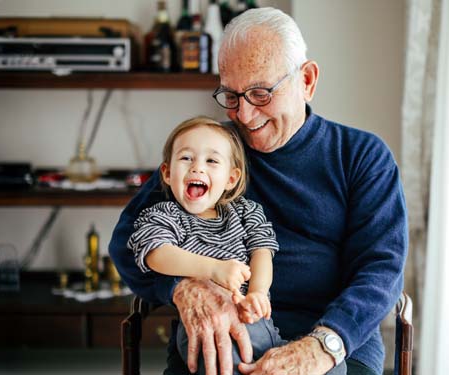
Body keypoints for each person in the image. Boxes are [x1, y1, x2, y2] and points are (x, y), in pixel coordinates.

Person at [109, 7, 408, 375]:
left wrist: (324, 345)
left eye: (261, 93)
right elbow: (129, 239)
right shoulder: (211, 152)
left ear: (307, 80)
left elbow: (382, 269)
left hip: (332, 343)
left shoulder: (361, 156)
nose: (245, 116)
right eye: (231, 96)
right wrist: (181, 286)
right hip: (221, 336)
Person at [126, 116, 344, 375]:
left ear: (231, 178)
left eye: (211, 161)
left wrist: (259, 292)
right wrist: (213, 269)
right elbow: (156, 253)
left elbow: (262, 252)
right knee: (224, 359)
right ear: (167, 172)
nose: (197, 168)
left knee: (333, 368)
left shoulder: (245, 212)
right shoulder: (165, 215)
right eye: (186, 158)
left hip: (257, 324)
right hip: (205, 328)